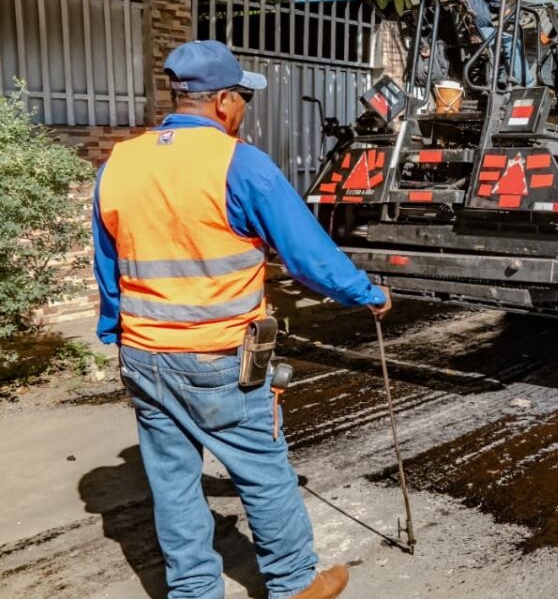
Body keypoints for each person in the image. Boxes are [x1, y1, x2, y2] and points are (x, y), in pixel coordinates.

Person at [92, 40, 392, 599]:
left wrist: (116, 332)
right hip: (219, 357)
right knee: (261, 468)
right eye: (243, 99)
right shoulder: (240, 163)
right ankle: (295, 582)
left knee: (173, 480)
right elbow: (307, 255)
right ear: (225, 101)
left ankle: (194, 591)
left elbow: (107, 268)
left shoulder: (121, 162)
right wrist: (366, 293)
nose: (243, 110)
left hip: (142, 353)